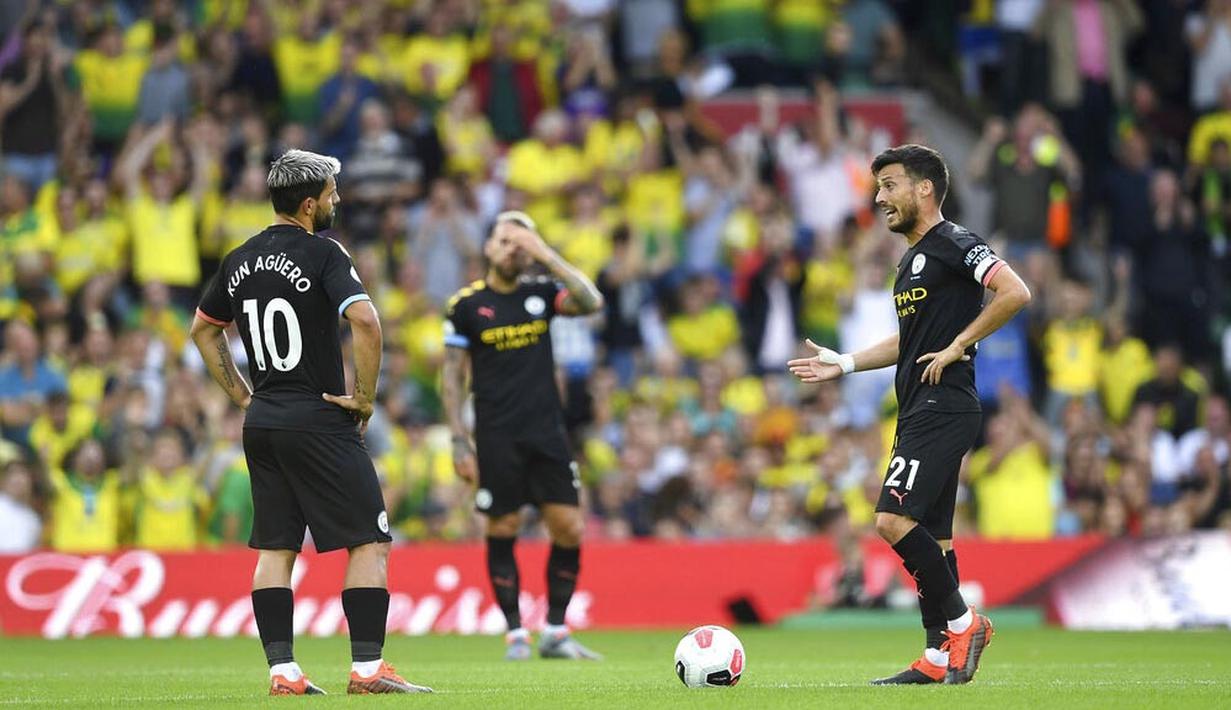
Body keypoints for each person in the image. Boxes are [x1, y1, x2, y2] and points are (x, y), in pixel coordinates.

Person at [190, 149, 431, 696]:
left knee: (277, 548)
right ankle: (368, 669)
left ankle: (283, 673)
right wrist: (363, 398)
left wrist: (243, 397)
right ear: (308, 205)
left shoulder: (238, 258)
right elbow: (365, 321)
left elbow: (204, 329)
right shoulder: (324, 252)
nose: (336, 201)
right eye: (330, 194)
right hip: (319, 416)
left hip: (264, 421)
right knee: (370, 539)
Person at [788, 145, 1031, 685]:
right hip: (922, 405)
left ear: (924, 188)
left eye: (890, 185)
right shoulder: (911, 261)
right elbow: (912, 340)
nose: (880, 197)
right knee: (935, 537)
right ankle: (937, 657)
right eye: (878, 187)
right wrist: (846, 363)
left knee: (892, 520)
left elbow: (1015, 292)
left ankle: (965, 624)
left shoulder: (955, 242)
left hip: (944, 403)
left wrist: (959, 344)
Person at [441, 211, 605, 661]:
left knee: (569, 527)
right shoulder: (466, 305)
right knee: (503, 526)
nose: (512, 248)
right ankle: (515, 632)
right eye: (504, 239)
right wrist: (458, 438)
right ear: (487, 247)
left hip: (547, 432)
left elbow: (591, 301)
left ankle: (555, 631)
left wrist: (544, 254)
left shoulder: (542, 293)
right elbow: (452, 376)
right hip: (497, 435)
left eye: (520, 241)